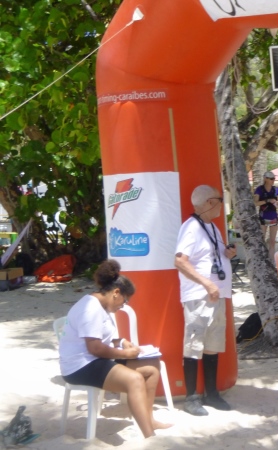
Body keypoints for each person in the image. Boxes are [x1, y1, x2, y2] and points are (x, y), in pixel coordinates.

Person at [58, 260, 171, 438]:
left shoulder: (100, 306)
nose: (122, 306)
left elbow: (99, 338)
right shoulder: (90, 309)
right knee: (134, 380)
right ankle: (150, 436)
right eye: (124, 301)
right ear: (116, 293)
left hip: (93, 360)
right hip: (79, 367)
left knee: (151, 369)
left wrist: (121, 341)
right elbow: (95, 348)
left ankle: (149, 420)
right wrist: (126, 354)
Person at [174, 185, 237, 416]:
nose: (222, 204)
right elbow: (180, 261)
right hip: (199, 296)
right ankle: (191, 398)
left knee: (213, 346)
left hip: (216, 295)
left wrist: (227, 254)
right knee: (194, 346)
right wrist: (206, 284)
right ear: (210, 202)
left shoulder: (212, 227)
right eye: (219, 200)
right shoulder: (191, 227)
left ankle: (211, 393)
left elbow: (211, 256)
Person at [253, 171, 278, 258]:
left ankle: (271, 260)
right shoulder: (259, 189)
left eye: (274, 178)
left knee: (272, 241)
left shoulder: (276, 190)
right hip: (263, 216)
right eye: (271, 179)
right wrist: (267, 200)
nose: (273, 180)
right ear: (266, 179)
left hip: (273, 216)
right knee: (262, 240)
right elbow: (255, 203)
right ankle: (262, 258)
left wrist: (277, 204)